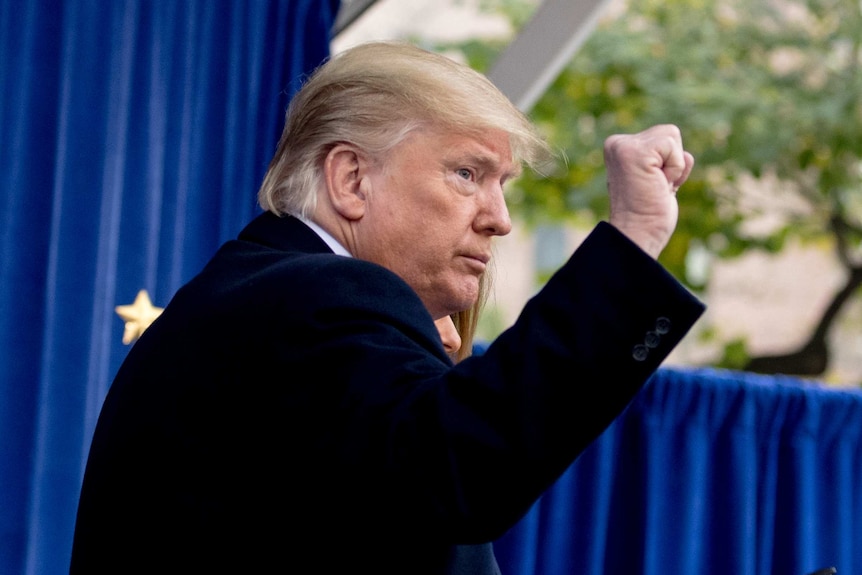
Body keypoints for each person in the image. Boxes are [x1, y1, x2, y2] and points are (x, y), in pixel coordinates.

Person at [69, 40, 705, 574]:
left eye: (501, 185)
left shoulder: (259, 298)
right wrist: (632, 238)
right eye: (467, 174)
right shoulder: (316, 296)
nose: (501, 220)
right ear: (351, 180)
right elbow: (463, 466)